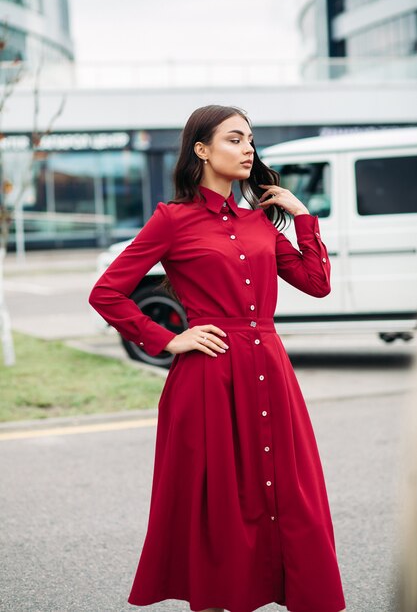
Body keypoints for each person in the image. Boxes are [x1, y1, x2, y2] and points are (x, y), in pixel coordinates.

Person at [88, 105, 347, 612]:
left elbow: (317, 284)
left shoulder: (260, 224)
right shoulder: (172, 220)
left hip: (270, 371)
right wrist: (168, 339)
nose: (248, 148)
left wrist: (302, 218)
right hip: (208, 379)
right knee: (214, 508)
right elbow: (107, 293)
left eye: (250, 139)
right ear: (201, 150)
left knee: (287, 496)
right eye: (234, 139)